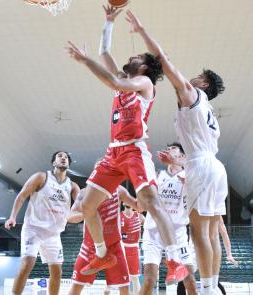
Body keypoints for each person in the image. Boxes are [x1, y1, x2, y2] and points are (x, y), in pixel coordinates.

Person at [64, 5, 187, 284]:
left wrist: (84, 62)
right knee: (85, 206)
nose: (130, 57)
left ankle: (175, 259)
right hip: (113, 152)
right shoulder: (124, 79)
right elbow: (104, 55)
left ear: (143, 66)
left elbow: (112, 81)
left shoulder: (144, 82)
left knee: (152, 203)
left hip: (134, 150)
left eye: (136, 56)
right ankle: (101, 252)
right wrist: (108, 23)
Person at [125, 10, 227, 295]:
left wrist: (143, 31)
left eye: (198, 76)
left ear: (204, 84)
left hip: (200, 165)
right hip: (216, 167)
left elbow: (166, 64)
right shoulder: (208, 110)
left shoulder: (192, 95)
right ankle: (211, 286)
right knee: (209, 231)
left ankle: (207, 289)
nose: (191, 78)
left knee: (200, 233)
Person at [5, 151, 80, 295]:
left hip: (54, 233)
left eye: (66, 157)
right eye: (60, 156)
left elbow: (79, 210)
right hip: (33, 228)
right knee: (27, 264)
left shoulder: (73, 186)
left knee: (57, 272)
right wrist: (12, 217)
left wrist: (87, 215)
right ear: (53, 162)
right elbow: (21, 196)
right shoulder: (41, 177)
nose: (63, 158)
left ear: (69, 164)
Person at [141, 143, 197, 295]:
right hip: (154, 231)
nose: (168, 149)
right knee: (149, 280)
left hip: (178, 232)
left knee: (190, 280)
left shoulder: (190, 174)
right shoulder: (158, 175)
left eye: (173, 148)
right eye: (167, 148)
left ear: (182, 156)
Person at [68, 186, 138, 295]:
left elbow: (138, 206)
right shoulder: (85, 192)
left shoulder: (119, 190)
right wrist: (86, 213)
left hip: (114, 247)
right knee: (76, 287)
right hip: (90, 247)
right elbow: (70, 216)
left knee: (125, 289)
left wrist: (147, 192)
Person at [120, 203, 145, 295]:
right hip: (122, 248)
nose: (127, 202)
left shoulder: (139, 216)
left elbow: (151, 226)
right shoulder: (119, 216)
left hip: (134, 248)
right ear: (123, 203)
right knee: (123, 278)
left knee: (134, 277)